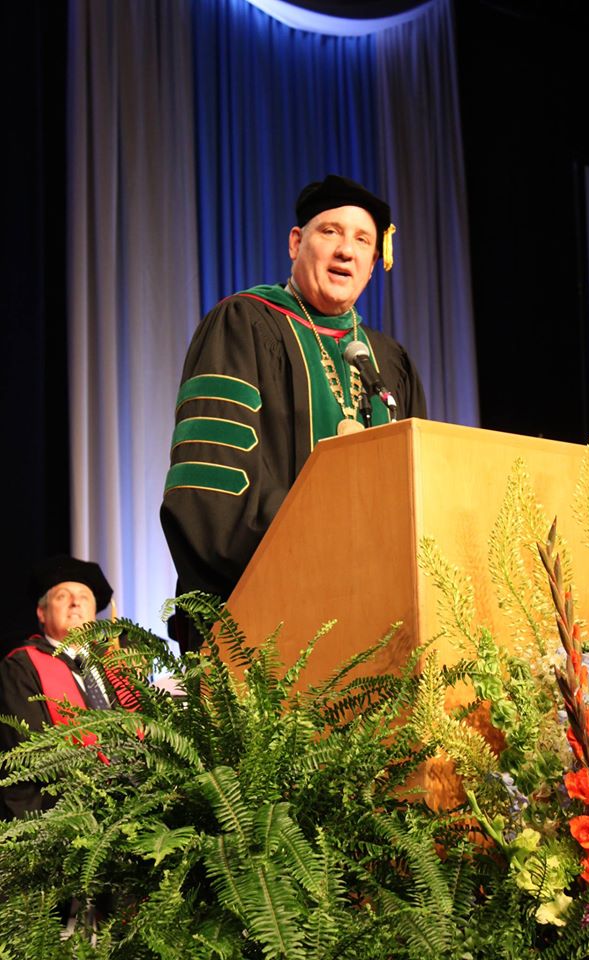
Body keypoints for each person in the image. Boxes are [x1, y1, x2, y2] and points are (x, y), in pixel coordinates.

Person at [161, 174, 427, 636]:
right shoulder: (243, 324)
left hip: (381, 618)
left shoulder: (389, 362)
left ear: (372, 265)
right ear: (296, 243)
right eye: (331, 232)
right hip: (263, 618)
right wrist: (322, 557)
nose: (346, 250)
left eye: (362, 240)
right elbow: (210, 490)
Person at [0, 554, 136, 819]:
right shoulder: (21, 667)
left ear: (94, 613)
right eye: (63, 596)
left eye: (84, 597)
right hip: (64, 817)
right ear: (42, 612)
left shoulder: (117, 666)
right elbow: (27, 758)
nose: (75, 602)